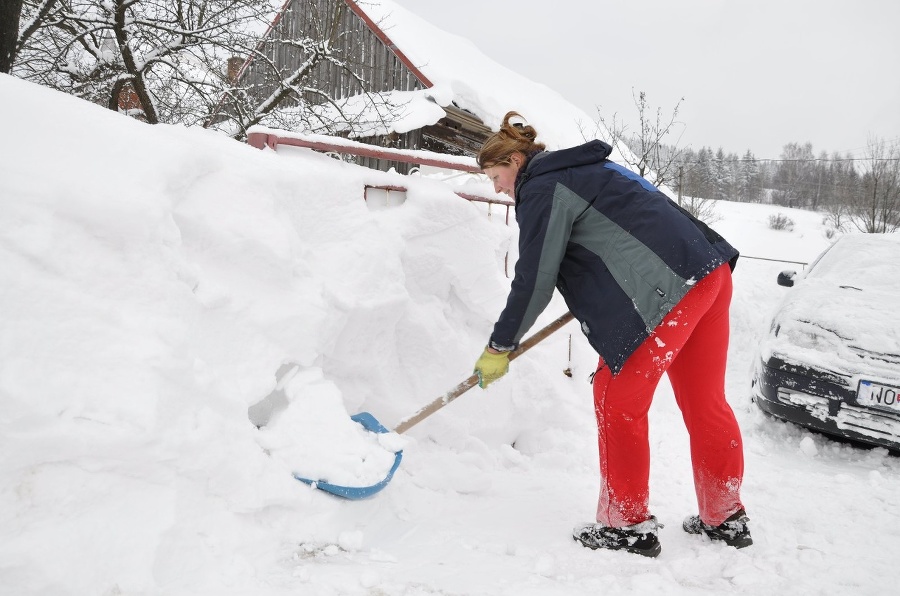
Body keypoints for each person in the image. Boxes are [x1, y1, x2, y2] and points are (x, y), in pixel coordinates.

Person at [472, 111, 751, 557]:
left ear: (517, 160)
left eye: (496, 175)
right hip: (708, 274)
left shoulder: (542, 188)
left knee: (615, 397)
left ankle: (625, 526)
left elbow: (534, 279)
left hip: (670, 291)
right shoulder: (588, 169)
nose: (498, 187)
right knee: (705, 401)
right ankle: (725, 516)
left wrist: (499, 345)